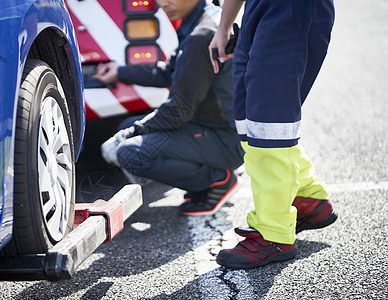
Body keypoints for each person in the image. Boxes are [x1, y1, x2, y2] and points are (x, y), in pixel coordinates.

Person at [208, 0, 338, 269]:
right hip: (257, 11)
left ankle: (274, 234)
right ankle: (309, 198)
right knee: (251, 125)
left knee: (270, 127)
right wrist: (223, 26)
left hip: (291, 10)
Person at [94, 0, 245, 216]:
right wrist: (121, 72)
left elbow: (178, 111)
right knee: (128, 127)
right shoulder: (202, 21)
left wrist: (133, 132)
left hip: (226, 140)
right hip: (212, 126)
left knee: (129, 152)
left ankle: (218, 180)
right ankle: (205, 174)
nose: (163, 3)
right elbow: (169, 72)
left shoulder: (202, 35)